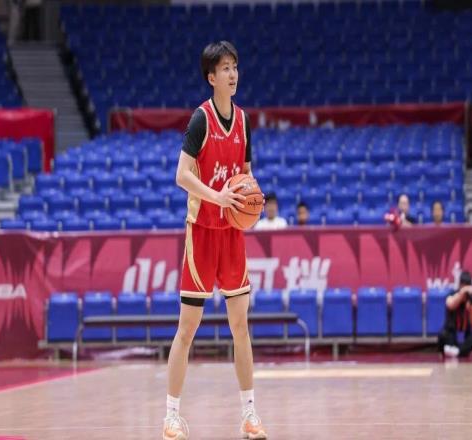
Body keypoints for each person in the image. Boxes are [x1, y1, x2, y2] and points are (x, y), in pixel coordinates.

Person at [164, 41, 267, 440]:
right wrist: (217, 197)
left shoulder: (243, 121)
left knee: (240, 325)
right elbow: (181, 175)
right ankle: (171, 416)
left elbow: (246, 174)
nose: (233, 73)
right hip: (202, 232)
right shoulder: (201, 120)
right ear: (211, 77)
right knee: (187, 328)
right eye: (225, 68)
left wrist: (248, 200)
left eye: (235, 66)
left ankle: (250, 414)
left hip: (232, 235)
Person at [438, 271, 472, 358]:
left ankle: (458, 352)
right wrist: (462, 293)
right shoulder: (452, 295)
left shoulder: (471, 300)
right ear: (460, 285)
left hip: (466, 335)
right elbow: (450, 305)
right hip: (452, 333)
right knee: (442, 334)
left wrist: (471, 308)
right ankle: (459, 352)